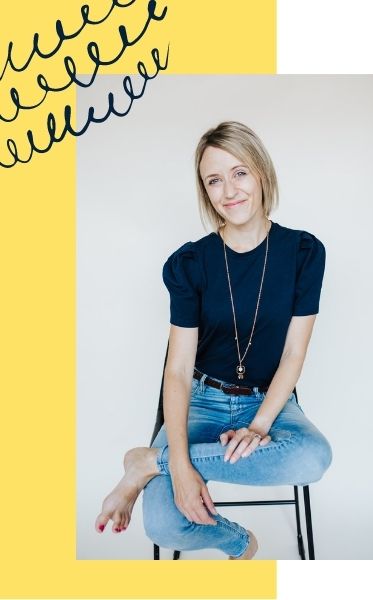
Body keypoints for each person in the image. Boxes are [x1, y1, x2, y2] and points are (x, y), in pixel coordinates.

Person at [94, 120, 333, 559]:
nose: (229, 191)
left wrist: (258, 426)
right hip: (201, 400)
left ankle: (146, 463)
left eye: (239, 173)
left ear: (261, 174)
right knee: (164, 524)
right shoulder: (189, 264)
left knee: (313, 458)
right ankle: (239, 544)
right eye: (214, 180)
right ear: (206, 191)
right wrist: (183, 465)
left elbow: (294, 353)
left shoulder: (303, 253)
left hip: (269, 401)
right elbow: (179, 369)